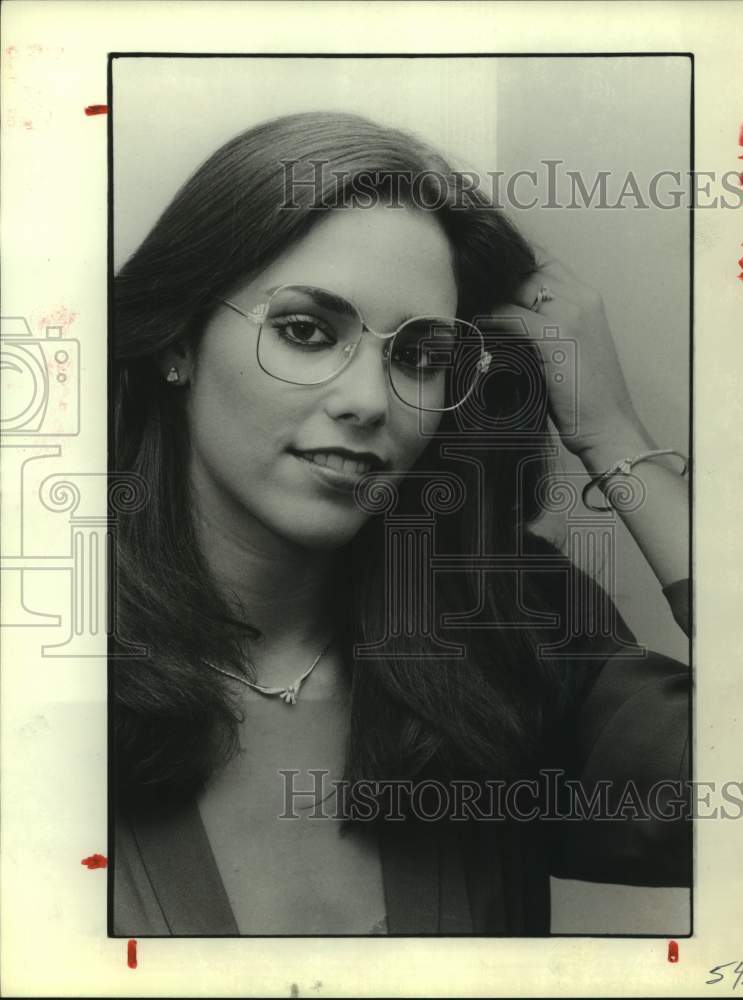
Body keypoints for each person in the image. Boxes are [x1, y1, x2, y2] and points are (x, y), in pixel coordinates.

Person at [111, 110, 691, 935]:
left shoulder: (504, 637)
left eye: (420, 356)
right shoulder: (40, 664)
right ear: (177, 339)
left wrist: (613, 436)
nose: (368, 401)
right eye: (306, 331)